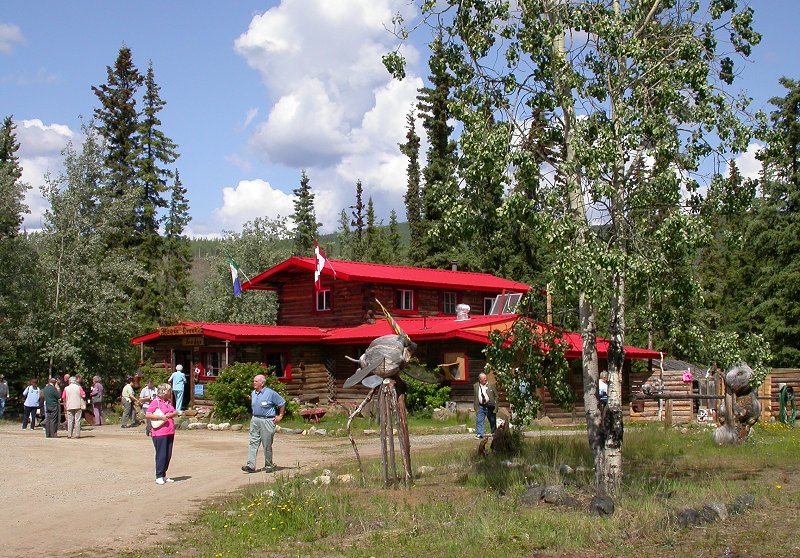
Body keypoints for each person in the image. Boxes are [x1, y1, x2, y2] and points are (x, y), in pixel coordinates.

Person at [242, 374, 285, 474]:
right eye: (253, 381)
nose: (254, 383)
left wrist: (280, 415)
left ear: (262, 383)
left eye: (256, 381)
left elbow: (282, 402)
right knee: (253, 442)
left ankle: (269, 465)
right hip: (255, 419)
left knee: (267, 444)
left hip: (267, 421)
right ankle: (250, 466)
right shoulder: (253, 393)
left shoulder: (270, 393)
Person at [144, 383, 179, 484]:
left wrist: (171, 414)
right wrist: (161, 417)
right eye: (169, 390)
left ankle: (163, 475)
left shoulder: (168, 402)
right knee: (161, 454)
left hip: (170, 431)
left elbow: (175, 412)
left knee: (168, 454)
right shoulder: (156, 402)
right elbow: (148, 414)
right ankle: (158, 475)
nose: (170, 392)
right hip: (159, 433)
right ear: (164, 391)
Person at [473, 372, 498, 439]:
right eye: (483, 378)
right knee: (479, 420)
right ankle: (480, 434)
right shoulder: (476, 386)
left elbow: (496, 396)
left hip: (490, 406)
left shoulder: (491, 385)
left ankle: (494, 433)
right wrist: (475, 407)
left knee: (492, 421)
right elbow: (475, 397)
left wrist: (496, 406)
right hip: (481, 406)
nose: (485, 379)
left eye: (485, 378)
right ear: (480, 379)